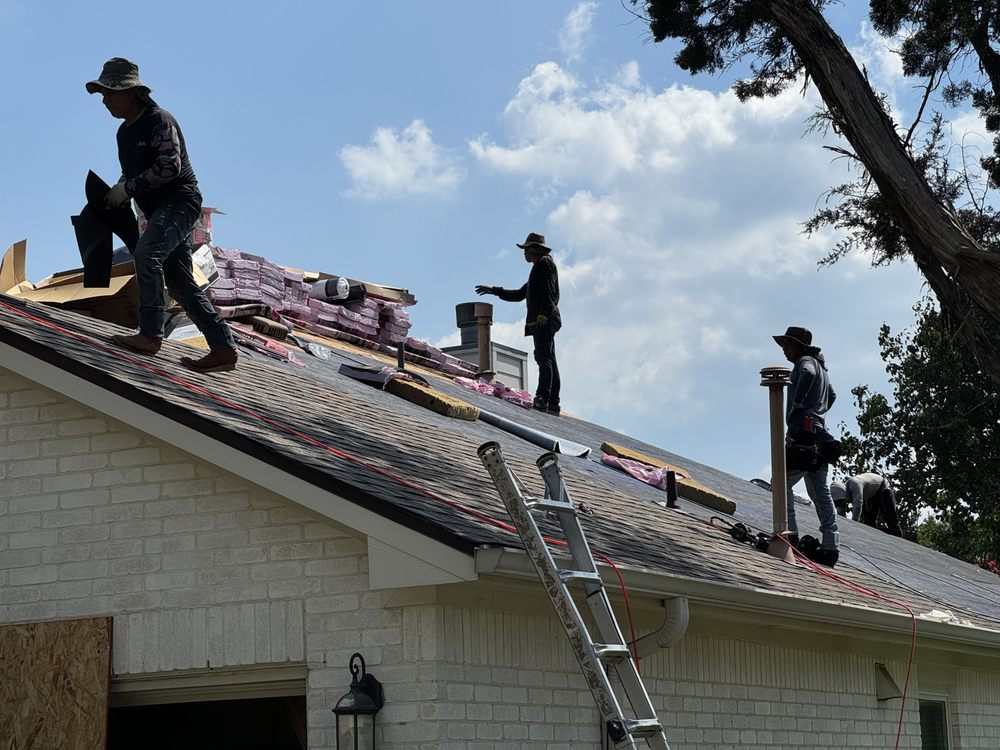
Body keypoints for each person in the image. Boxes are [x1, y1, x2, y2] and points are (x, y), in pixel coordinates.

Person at [87, 57, 238, 373]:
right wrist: (116, 191)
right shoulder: (124, 133)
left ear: (132, 92)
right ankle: (223, 347)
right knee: (179, 283)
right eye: (103, 94)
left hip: (180, 202)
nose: (105, 100)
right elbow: (131, 172)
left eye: (110, 93)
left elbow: (170, 167)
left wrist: (128, 189)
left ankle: (150, 334)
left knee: (147, 254)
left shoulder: (159, 120)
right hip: (159, 210)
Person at [774, 326, 839, 566]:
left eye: (788, 345)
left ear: (800, 346)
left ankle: (790, 536)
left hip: (803, 435)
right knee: (820, 492)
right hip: (820, 437)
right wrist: (818, 412)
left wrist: (799, 403)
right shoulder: (823, 369)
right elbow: (832, 396)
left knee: (780, 484)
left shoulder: (805, 362)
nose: (785, 350)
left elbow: (808, 374)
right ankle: (831, 546)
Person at [476, 233, 561, 414]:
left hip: (544, 319)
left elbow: (551, 291)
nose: (524, 254)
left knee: (544, 358)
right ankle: (552, 402)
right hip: (543, 318)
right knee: (548, 358)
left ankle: (544, 398)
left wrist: (543, 313)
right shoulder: (539, 268)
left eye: (526, 250)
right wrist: (494, 290)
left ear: (534, 249)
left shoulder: (544, 264)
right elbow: (519, 294)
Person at [830, 473, 903, 536]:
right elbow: (841, 513)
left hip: (883, 488)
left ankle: (896, 534)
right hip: (870, 495)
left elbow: (857, 506)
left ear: (844, 494)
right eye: (838, 503)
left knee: (892, 523)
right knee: (869, 525)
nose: (842, 504)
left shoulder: (855, 484)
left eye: (841, 501)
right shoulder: (843, 496)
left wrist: (853, 526)